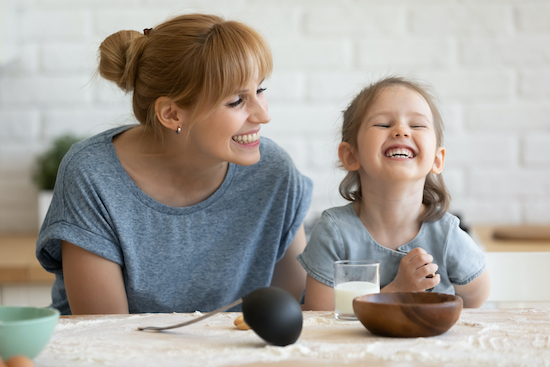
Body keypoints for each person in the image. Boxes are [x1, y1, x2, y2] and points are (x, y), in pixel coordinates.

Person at [36, 13, 313, 315]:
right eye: (236, 101)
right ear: (171, 114)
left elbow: (291, 312)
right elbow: (106, 333)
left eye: (260, 90)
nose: (263, 115)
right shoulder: (91, 175)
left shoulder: (273, 171)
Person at [297, 76, 490, 309]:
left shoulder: (447, 234)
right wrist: (397, 290)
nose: (401, 131)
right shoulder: (334, 232)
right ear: (351, 155)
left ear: (437, 160)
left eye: (417, 125)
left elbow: (477, 297)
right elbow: (320, 317)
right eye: (383, 125)